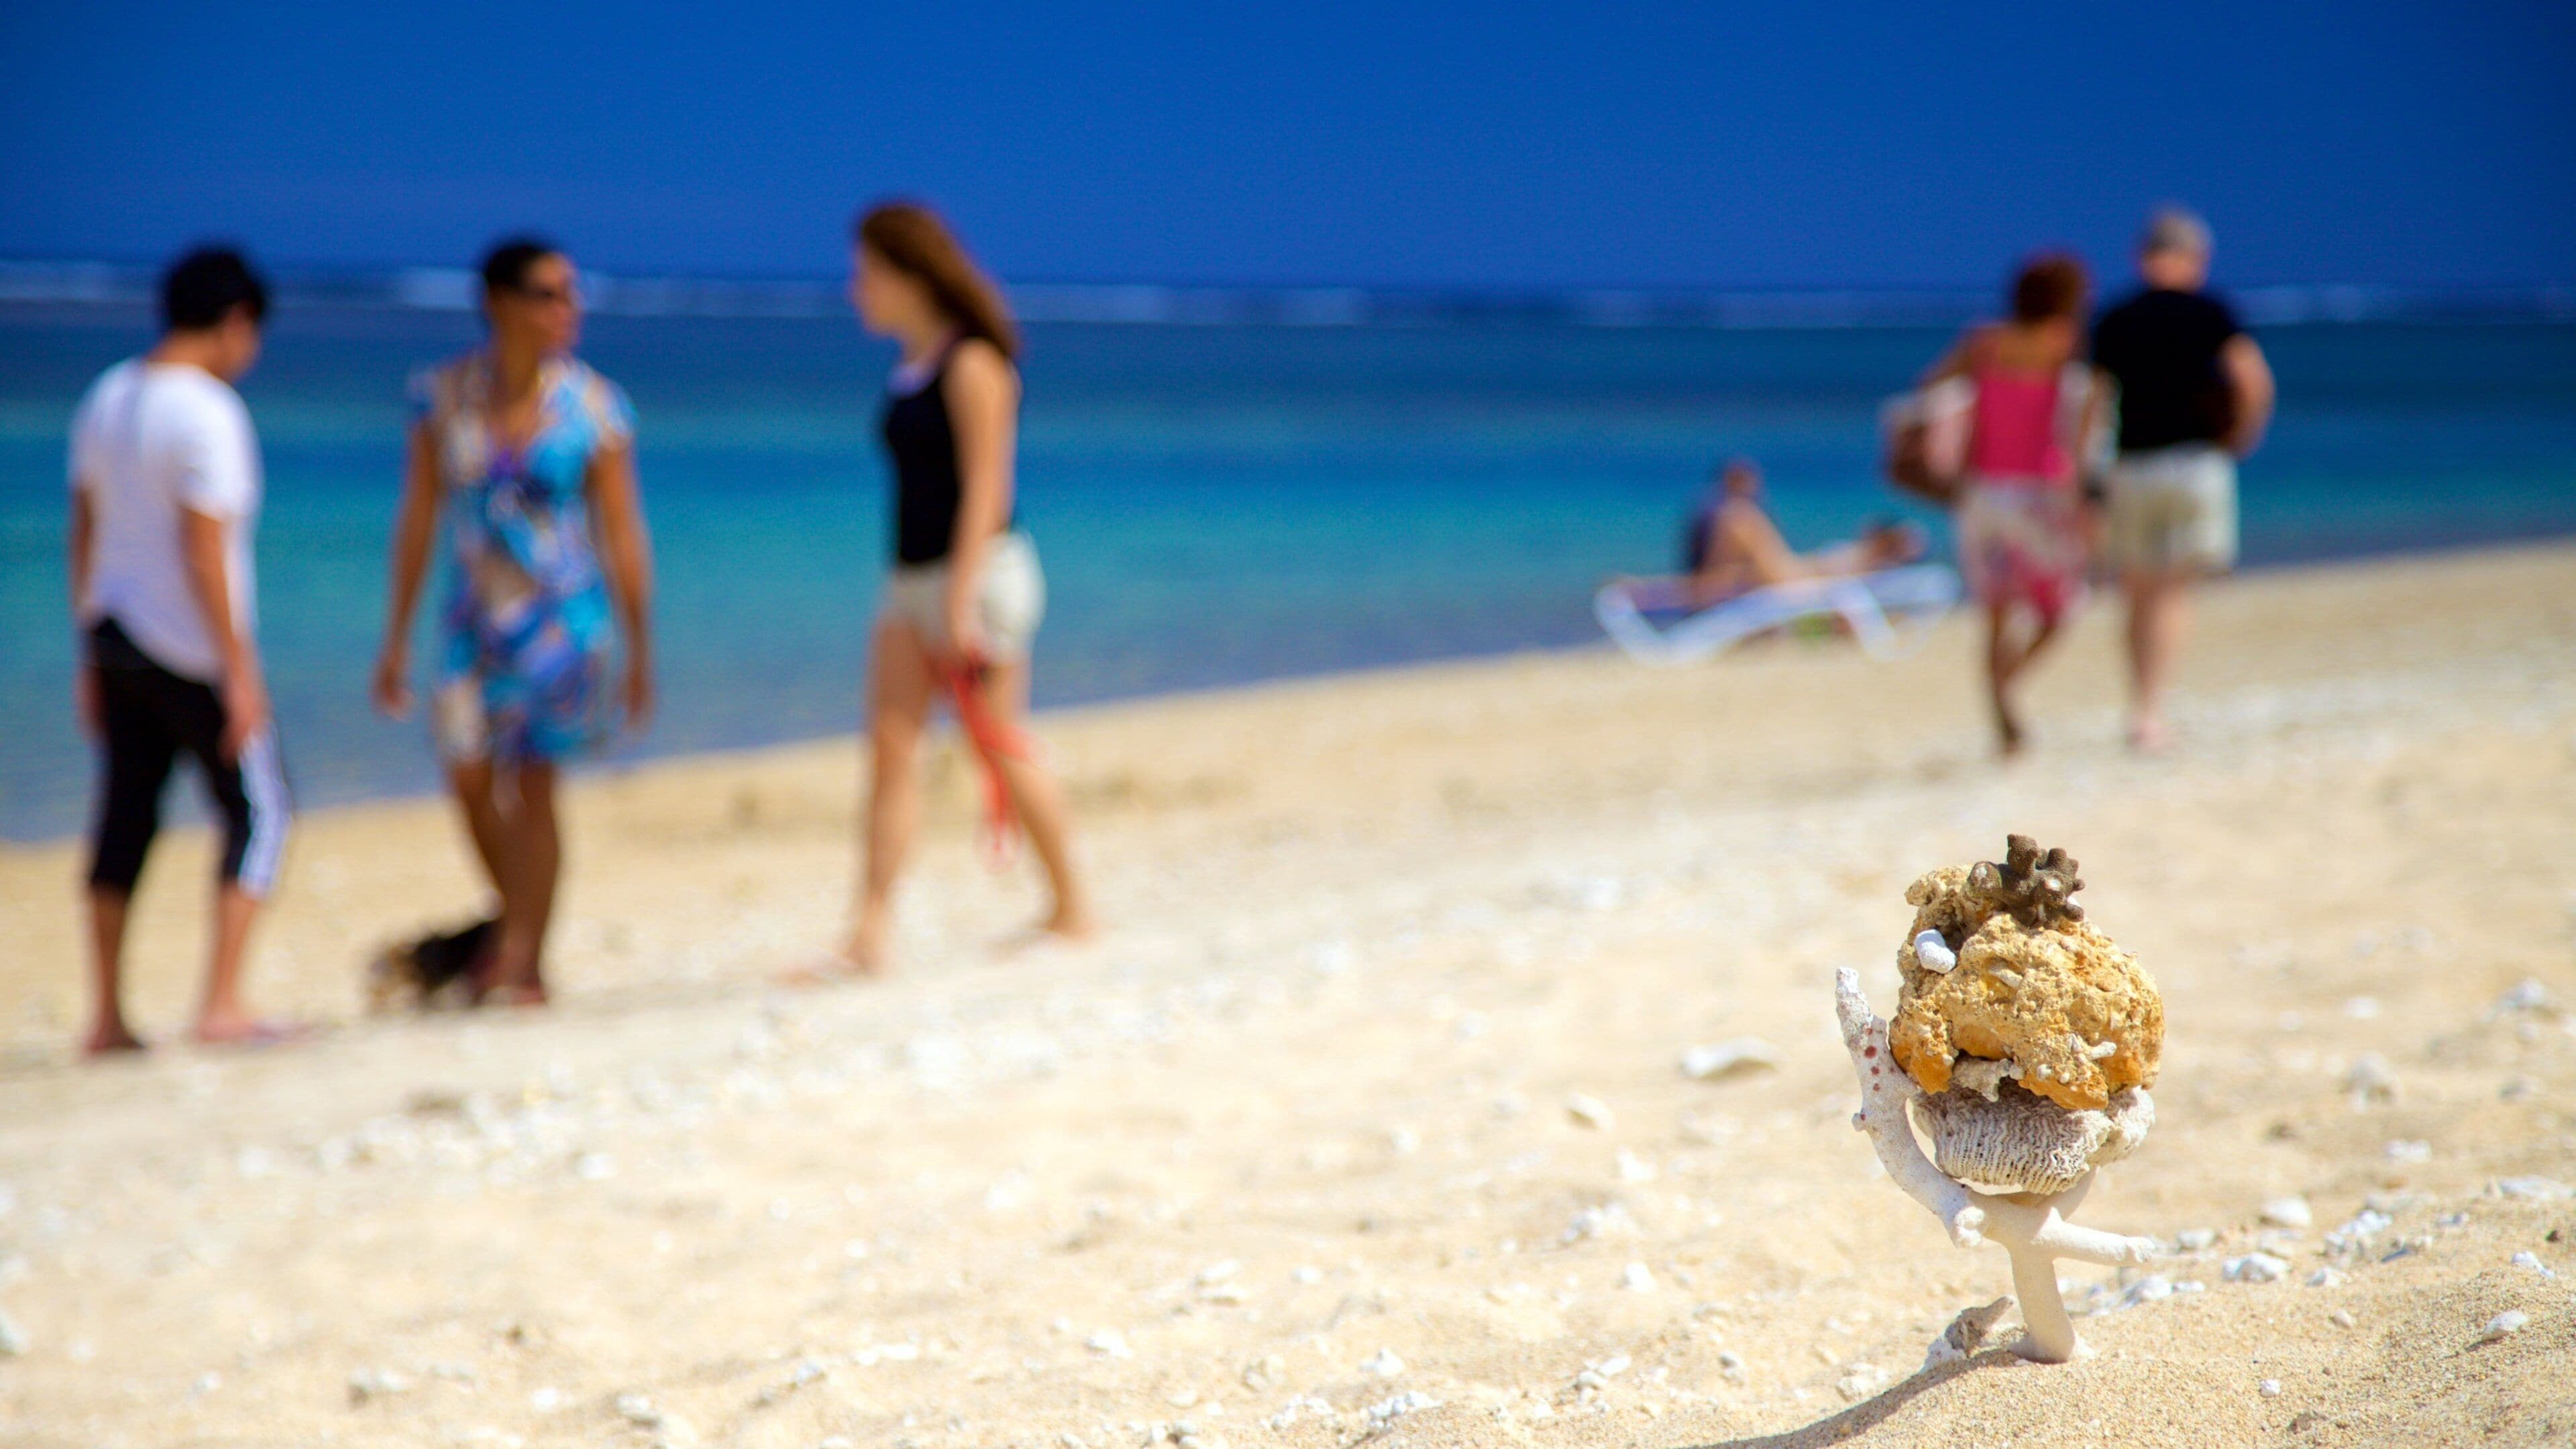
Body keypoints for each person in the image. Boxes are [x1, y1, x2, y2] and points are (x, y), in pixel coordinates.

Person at [371, 238, 655, 1006]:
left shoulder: (595, 406)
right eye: (548, 293)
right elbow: (419, 517)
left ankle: (523, 962)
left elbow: (623, 531)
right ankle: (514, 933)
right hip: (472, 620)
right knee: (466, 774)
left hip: (563, 623)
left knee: (533, 785)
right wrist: (394, 637)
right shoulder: (442, 396)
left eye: (572, 293)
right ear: (499, 302)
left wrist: (640, 648)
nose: (568, 309)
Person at [830, 201, 1093, 975]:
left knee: (997, 741)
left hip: (978, 576)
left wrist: (959, 598)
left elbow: (988, 486)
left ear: (911, 274)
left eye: (867, 273)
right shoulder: (911, 364)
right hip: (909, 577)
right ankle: (869, 932)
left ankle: (1073, 906)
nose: (856, 289)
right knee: (891, 750)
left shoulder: (974, 362)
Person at [66, 246, 295, 1054]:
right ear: (236, 321)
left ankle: (107, 1016)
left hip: (114, 636)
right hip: (188, 647)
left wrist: (85, 648)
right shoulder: (208, 411)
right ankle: (221, 1004)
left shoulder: (109, 395)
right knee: (261, 813)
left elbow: (84, 530)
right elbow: (206, 549)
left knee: (125, 815)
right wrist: (241, 672)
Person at [2093, 207, 2275, 752]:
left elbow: (2093, 402)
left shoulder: (2116, 316)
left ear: (2142, 257)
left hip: (2132, 465)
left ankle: (2139, 708)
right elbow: (2254, 382)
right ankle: (2152, 712)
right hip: (2195, 461)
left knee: (2137, 590)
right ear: (2197, 258)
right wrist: (2239, 438)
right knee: (2173, 590)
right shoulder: (2212, 312)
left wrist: (2083, 473)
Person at [1923, 253, 2106, 757]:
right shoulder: (2064, 345)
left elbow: (1932, 385)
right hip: (2038, 495)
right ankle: (2008, 686)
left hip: (1982, 494)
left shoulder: (1985, 342)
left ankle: (2000, 699)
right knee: (2058, 608)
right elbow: (2082, 424)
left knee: (1996, 611)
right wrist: (2086, 499)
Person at [1678, 458, 1925, 605]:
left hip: (1783, 579)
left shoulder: (1719, 514)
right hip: (1788, 584)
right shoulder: (1738, 516)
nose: (1757, 487)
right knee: (1824, 567)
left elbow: (1718, 573)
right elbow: (1715, 578)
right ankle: (1883, 550)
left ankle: (1883, 549)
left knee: (1823, 565)